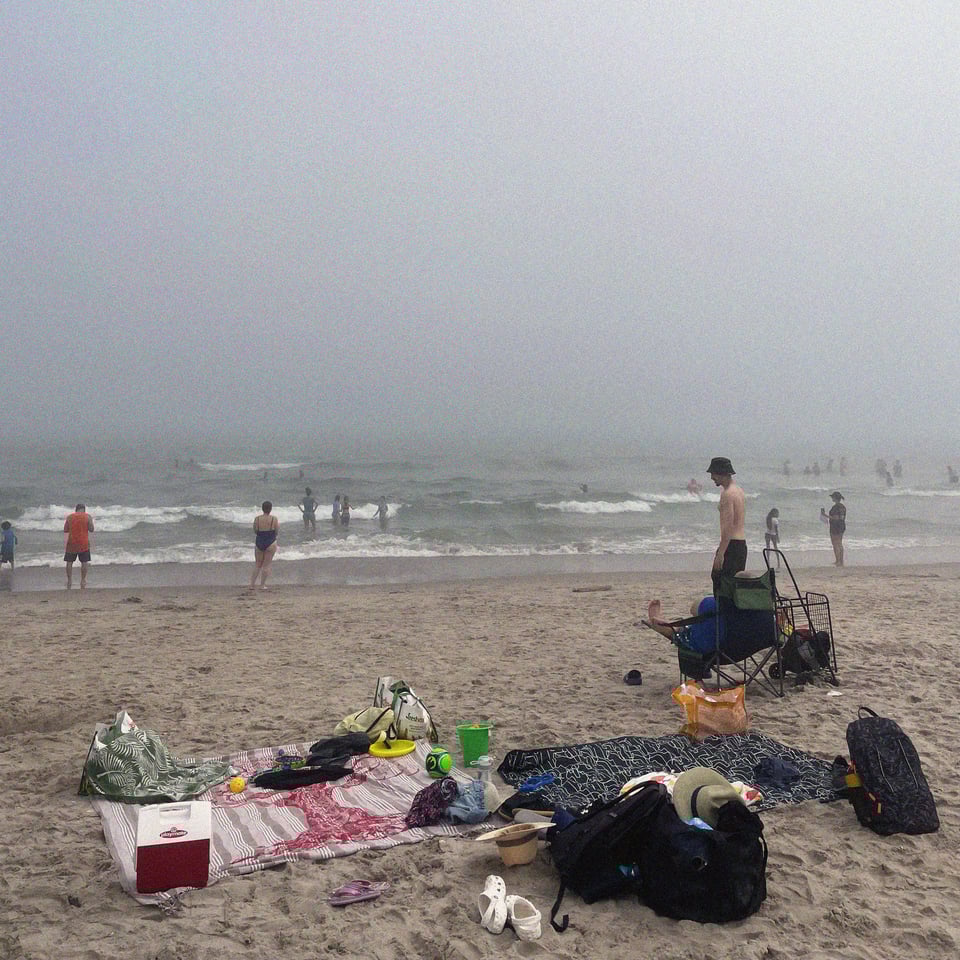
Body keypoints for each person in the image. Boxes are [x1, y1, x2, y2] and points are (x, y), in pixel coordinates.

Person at [707, 457, 746, 594]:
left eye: (713, 474)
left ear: (721, 473)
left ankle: (723, 614)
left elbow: (728, 527)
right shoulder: (739, 491)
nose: (712, 477)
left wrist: (721, 554)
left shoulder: (727, 494)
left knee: (721, 584)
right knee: (735, 587)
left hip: (731, 545)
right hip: (741, 546)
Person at [64, 503, 94, 589]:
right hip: (83, 543)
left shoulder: (70, 517)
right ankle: (83, 580)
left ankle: (69, 580)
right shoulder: (87, 516)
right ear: (84, 509)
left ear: (76, 509)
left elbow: (65, 530)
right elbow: (91, 529)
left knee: (69, 562)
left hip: (71, 543)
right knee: (84, 562)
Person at [249, 500, 278, 590]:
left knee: (258, 564)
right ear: (270, 509)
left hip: (260, 540)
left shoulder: (257, 519)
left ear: (262, 509)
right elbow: (276, 531)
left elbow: (255, 530)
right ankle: (262, 585)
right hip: (271, 541)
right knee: (266, 565)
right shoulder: (274, 519)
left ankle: (252, 585)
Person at [820, 492, 846, 567]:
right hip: (842, 525)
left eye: (832, 497)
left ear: (835, 498)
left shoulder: (835, 507)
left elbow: (835, 518)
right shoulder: (843, 507)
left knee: (835, 544)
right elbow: (841, 517)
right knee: (840, 543)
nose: (832, 498)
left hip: (835, 526)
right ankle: (841, 561)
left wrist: (824, 515)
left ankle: (838, 561)